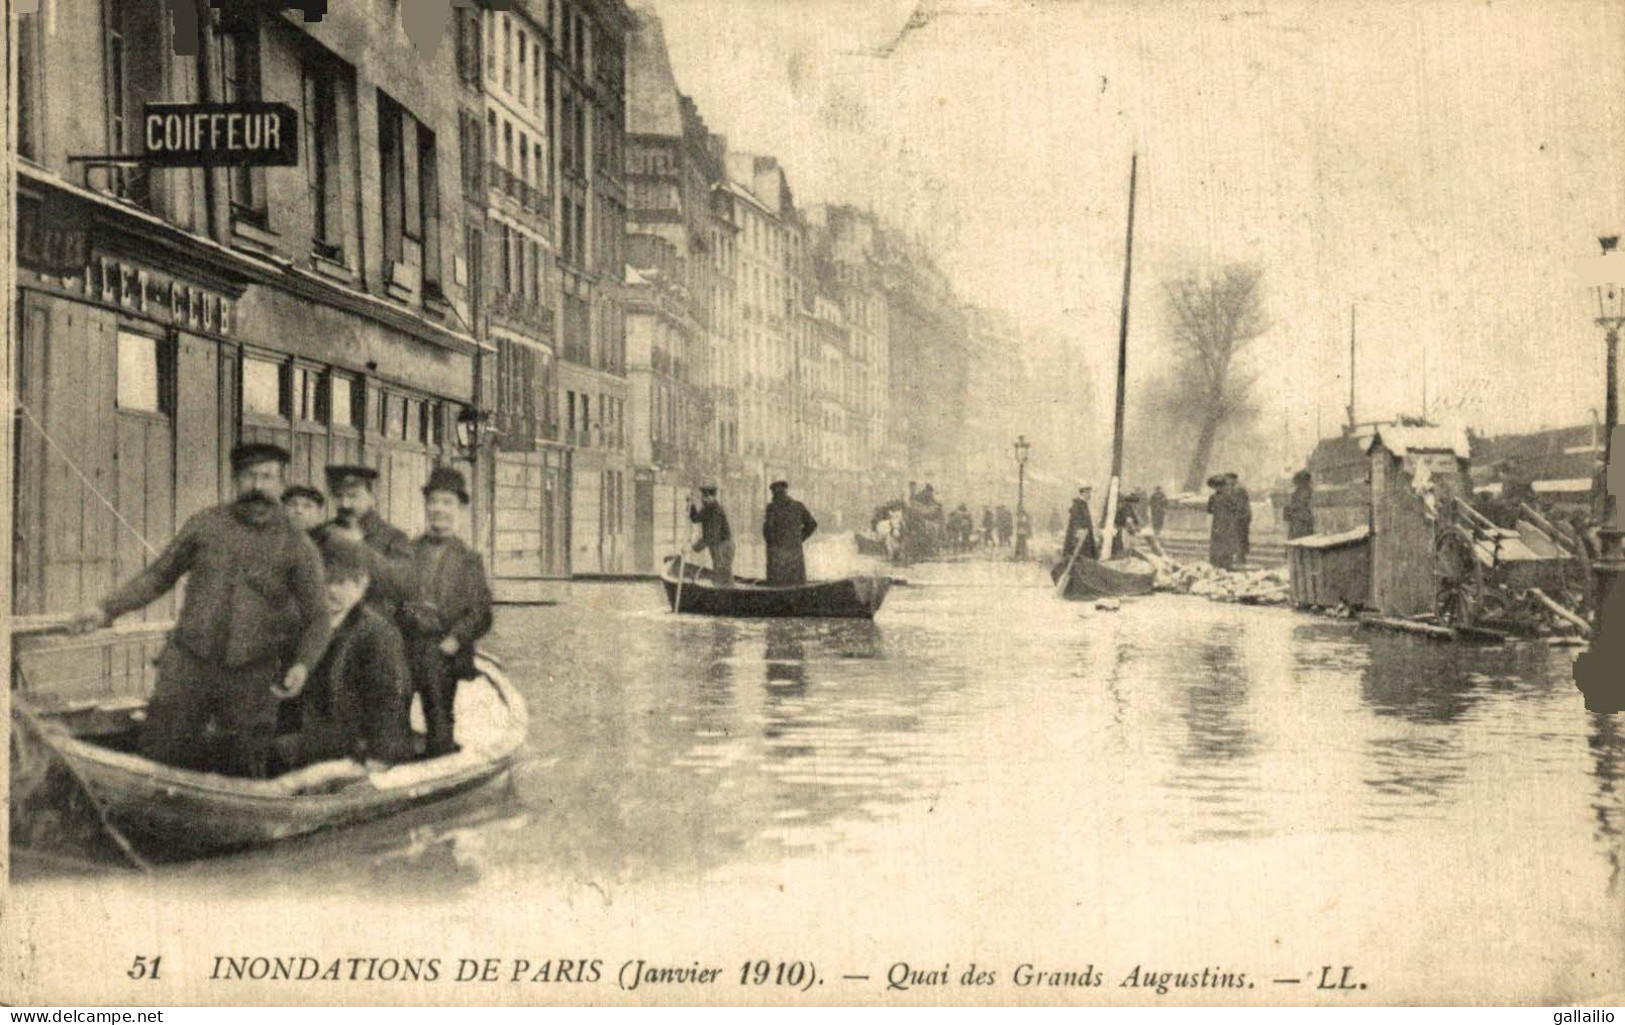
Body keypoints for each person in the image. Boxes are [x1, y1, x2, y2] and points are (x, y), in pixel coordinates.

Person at [67, 443, 329, 778]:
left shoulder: (297, 544)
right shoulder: (205, 525)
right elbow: (158, 575)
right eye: (250, 476)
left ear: (280, 484)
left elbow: (319, 617)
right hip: (188, 664)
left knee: (243, 764)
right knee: (158, 752)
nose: (258, 486)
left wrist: (304, 665)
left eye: (267, 477)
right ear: (236, 479)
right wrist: (105, 610)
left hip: (251, 674)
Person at [272, 537, 415, 773]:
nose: (331, 590)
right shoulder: (300, 626)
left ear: (362, 585)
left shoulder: (377, 633)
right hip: (301, 742)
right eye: (324, 581)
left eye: (342, 582)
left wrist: (379, 760)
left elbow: (391, 701)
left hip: (352, 751)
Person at [401, 467, 494, 758]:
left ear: (460, 509)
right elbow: (393, 597)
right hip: (406, 647)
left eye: (447, 502)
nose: (439, 509)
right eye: (434, 502)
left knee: (439, 716)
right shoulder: (408, 551)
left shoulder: (469, 560)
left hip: (444, 652)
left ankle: (439, 763)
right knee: (392, 710)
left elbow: (480, 612)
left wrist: (455, 639)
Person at [322, 464, 415, 617]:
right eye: (339, 496)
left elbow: (402, 586)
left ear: (372, 498)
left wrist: (358, 547)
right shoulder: (322, 534)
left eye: (352, 496)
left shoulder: (394, 538)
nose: (345, 503)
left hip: (374, 629)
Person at [762, 480, 818, 586]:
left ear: (774, 493)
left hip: (778, 556)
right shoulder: (798, 506)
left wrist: (772, 544)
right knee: (797, 582)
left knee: (777, 585)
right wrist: (800, 538)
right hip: (795, 553)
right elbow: (812, 524)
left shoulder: (772, 508)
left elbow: (767, 531)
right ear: (786, 492)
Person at [687, 484, 734, 586]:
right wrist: (691, 505)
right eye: (702, 497)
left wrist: (696, 547)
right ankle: (724, 590)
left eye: (705, 497)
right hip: (716, 544)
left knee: (721, 572)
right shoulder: (708, 508)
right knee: (720, 571)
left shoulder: (715, 510)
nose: (702, 500)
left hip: (722, 544)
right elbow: (695, 518)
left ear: (711, 497)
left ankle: (725, 593)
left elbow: (712, 535)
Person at [1207, 474, 1239, 570]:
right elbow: (1235, 509)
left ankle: (1215, 562)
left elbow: (1209, 510)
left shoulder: (1212, 497)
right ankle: (1226, 563)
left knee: (1216, 542)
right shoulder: (1229, 497)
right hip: (1227, 523)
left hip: (1217, 523)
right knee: (1227, 542)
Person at [1227, 472, 1253, 567]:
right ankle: (1239, 556)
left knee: (1240, 537)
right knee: (1238, 538)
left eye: (1228, 479)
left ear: (1233, 479)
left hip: (1241, 517)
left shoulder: (1239, 489)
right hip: (1240, 517)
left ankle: (1240, 557)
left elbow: (1240, 505)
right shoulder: (1235, 489)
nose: (1227, 482)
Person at [1064, 486, 1097, 561]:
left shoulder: (1083, 504)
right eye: (1088, 493)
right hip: (1080, 536)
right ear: (1083, 493)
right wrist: (1079, 531)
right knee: (1079, 556)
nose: (1090, 495)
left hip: (1085, 535)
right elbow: (1076, 520)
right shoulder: (1078, 504)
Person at [1284, 470, 1316, 540]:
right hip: (1300, 518)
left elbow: (1300, 503)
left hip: (1301, 519)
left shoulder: (1304, 491)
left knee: (1300, 538)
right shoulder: (1302, 491)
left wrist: (1290, 508)